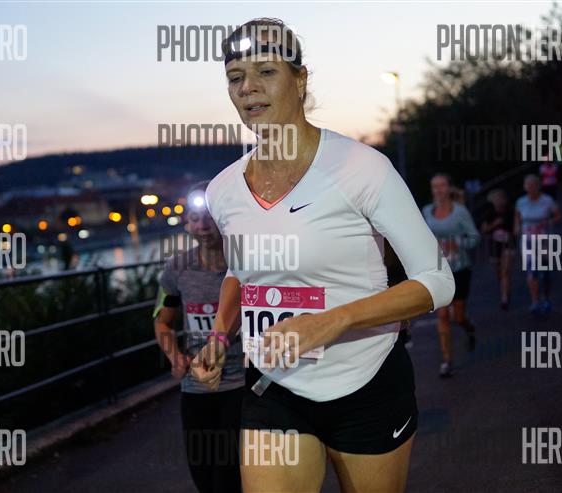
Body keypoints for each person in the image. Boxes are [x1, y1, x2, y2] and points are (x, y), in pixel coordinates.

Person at [190, 18, 455, 493]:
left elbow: (438, 282)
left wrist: (333, 321)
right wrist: (219, 335)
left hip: (364, 382)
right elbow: (241, 273)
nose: (248, 88)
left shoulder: (362, 168)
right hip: (274, 387)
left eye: (266, 72)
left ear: (300, 79)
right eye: (235, 77)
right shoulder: (223, 189)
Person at [153, 181, 244, 493]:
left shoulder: (245, 264)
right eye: (195, 219)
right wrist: (174, 356)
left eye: (209, 218)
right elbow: (162, 321)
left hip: (241, 383)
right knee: (202, 473)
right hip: (195, 385)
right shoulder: (177, 268)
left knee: (227, 474)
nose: (203, 226)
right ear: (187, 224)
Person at [423, 174, 480, 377]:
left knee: (458, 316)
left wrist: (457, 243)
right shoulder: (427, 211)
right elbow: (422, 236)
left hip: (460, 268)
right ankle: (447, 360)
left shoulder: (460, 212)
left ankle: (468, 326)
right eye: (434, 186)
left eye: (441, 186)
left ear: (448, 188)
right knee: (442, 315)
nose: (438, 190)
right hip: (439, 269)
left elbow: (475, 237)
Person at [514, 174, 562, 314]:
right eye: (528, 186)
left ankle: (546, 298)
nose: (530, 188)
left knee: (545, 270)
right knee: (532, 270)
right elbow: (517, 218)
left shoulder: (547, 200)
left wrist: (549, 222)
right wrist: (516, 228)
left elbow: (558, 215)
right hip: (528, 240)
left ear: (538, 186)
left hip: (544, 239)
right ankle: (534, 301)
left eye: (533, 186)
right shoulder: (521, 202)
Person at [480, 189, 515, 310]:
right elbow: (484, 230)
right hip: (494, 246)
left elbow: (517, 228)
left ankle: (504, 298)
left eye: (501, 199)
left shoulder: (510, 212)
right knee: (499, 272)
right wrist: (495, 224)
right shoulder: (489, 214)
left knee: (505, 271)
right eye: (496, 200)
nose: (499, 202)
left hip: (509, 245)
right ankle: (505, 289)